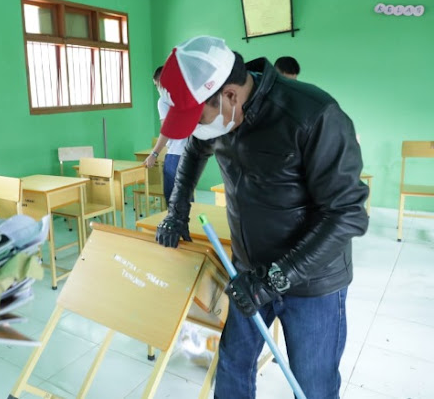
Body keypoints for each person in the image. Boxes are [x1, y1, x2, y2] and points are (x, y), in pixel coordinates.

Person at [155, 36, 369, 398]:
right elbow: (194, 149)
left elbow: (347, 214)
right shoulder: (220, 118)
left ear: (231, 96)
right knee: (233, 365)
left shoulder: (312, 115)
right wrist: (178, 211)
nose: (198, 129)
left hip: (311, 283)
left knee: (312, 384)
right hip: (249, 272)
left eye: (199, 118)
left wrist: (275, 279)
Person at [144, 66, 188, 205]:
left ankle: (175, 227)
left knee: (172, 200)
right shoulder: (186, 95)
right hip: (191, 154)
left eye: (157, 85)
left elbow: (166, 130)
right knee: (186, 198)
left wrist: (154, 154)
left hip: (176, 154)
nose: (158, 89)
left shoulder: (163, 100)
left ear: (161, 82)